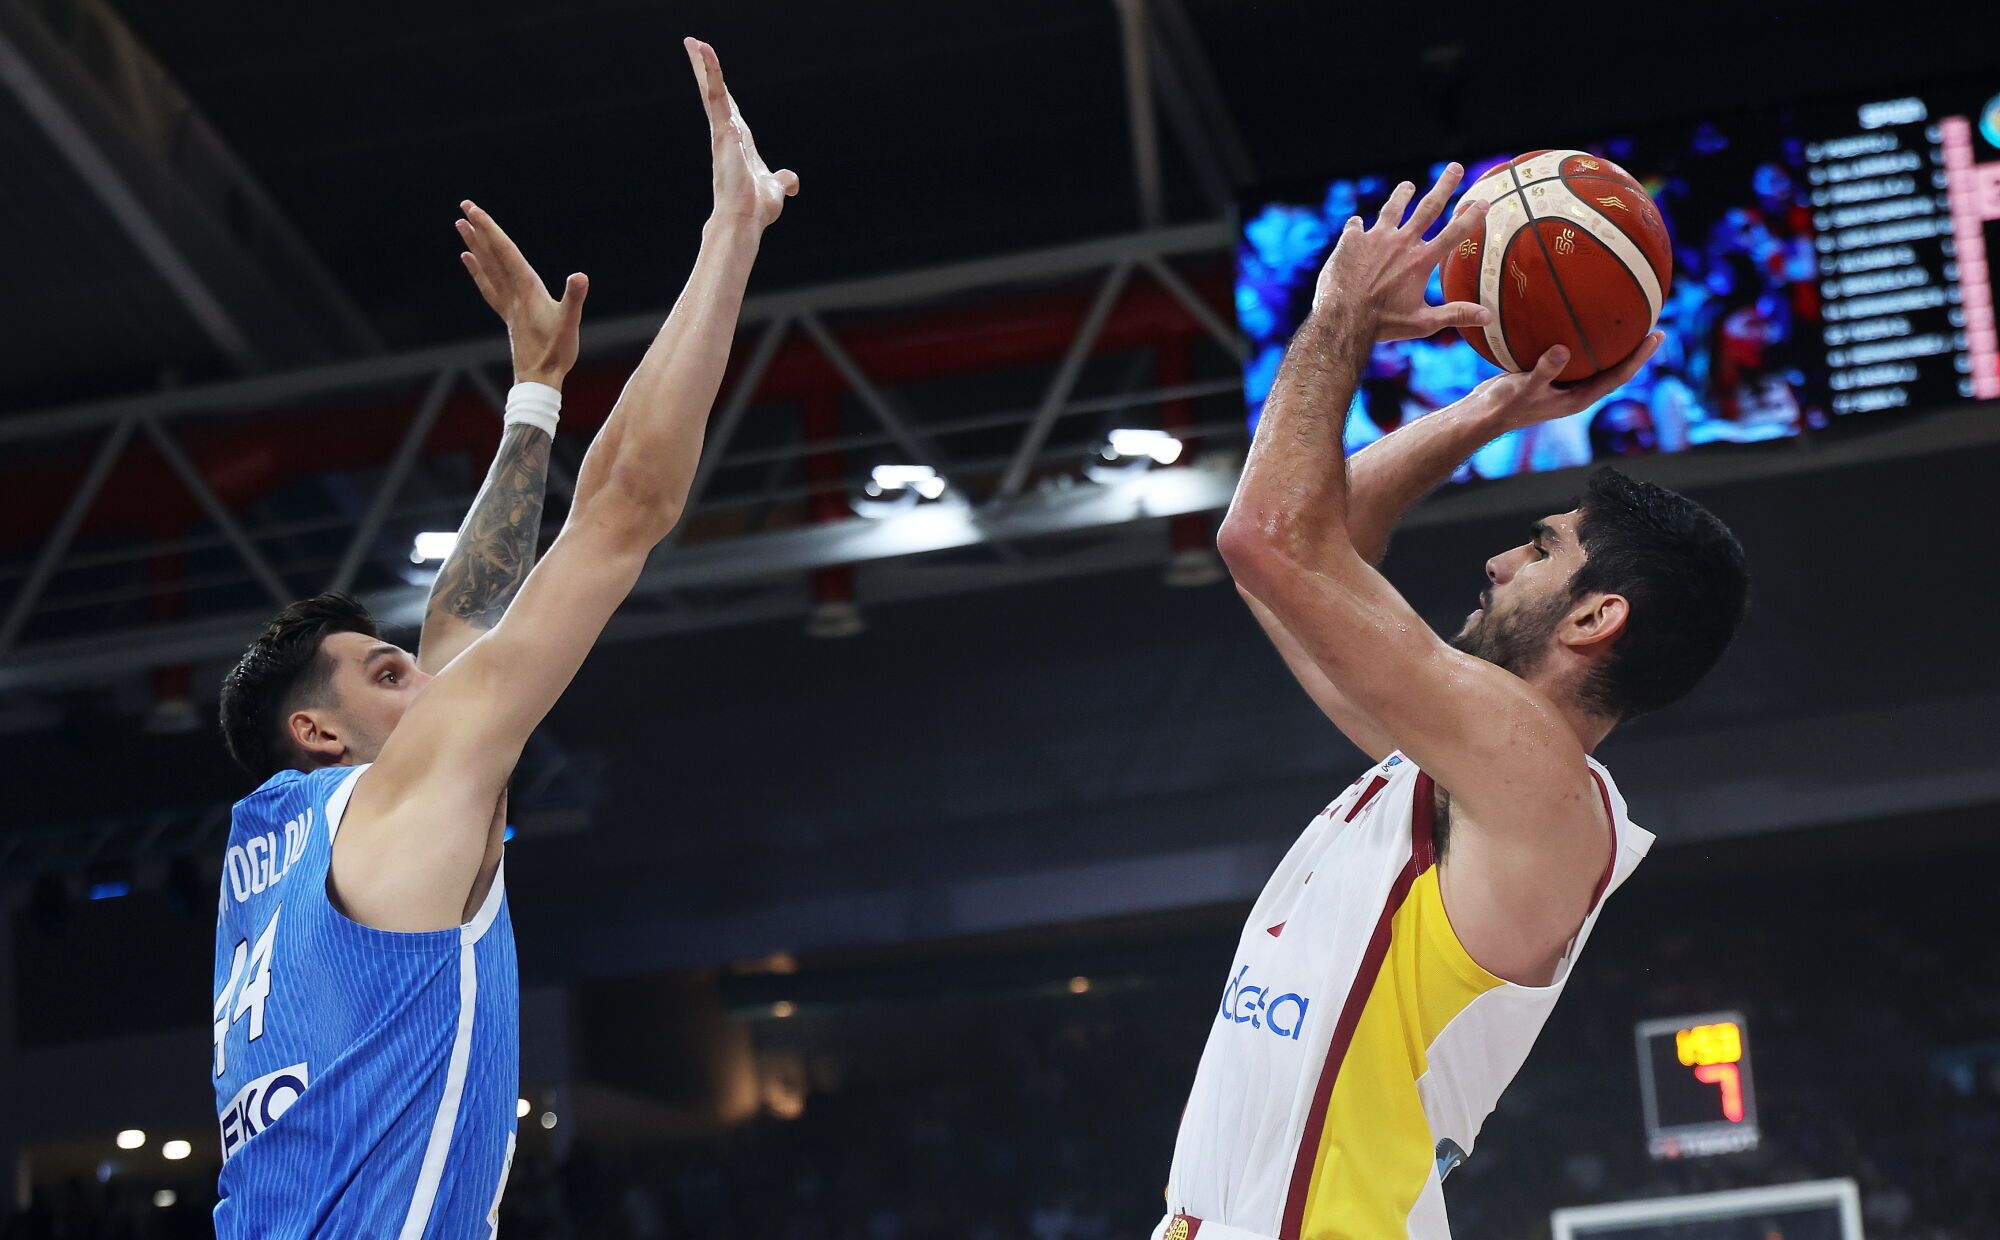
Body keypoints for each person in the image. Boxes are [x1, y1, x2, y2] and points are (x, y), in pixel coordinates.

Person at [206, 39, 796, 1236]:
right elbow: (624, 510)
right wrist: (727, 235)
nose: (425, 673)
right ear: (317, 727)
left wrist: (535, 392)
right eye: (385, 673)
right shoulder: (394, 802)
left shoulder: (271, 851)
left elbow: (459, 622)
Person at [1155, 166, 1749, 1239]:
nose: (1493, 560)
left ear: (1592, 617)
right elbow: (1299, 545)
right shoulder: (1455, 767)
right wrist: (1490, 405)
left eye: (1536, 548)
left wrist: (1341, 314)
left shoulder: (1529, 779)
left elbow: (1269, 534)